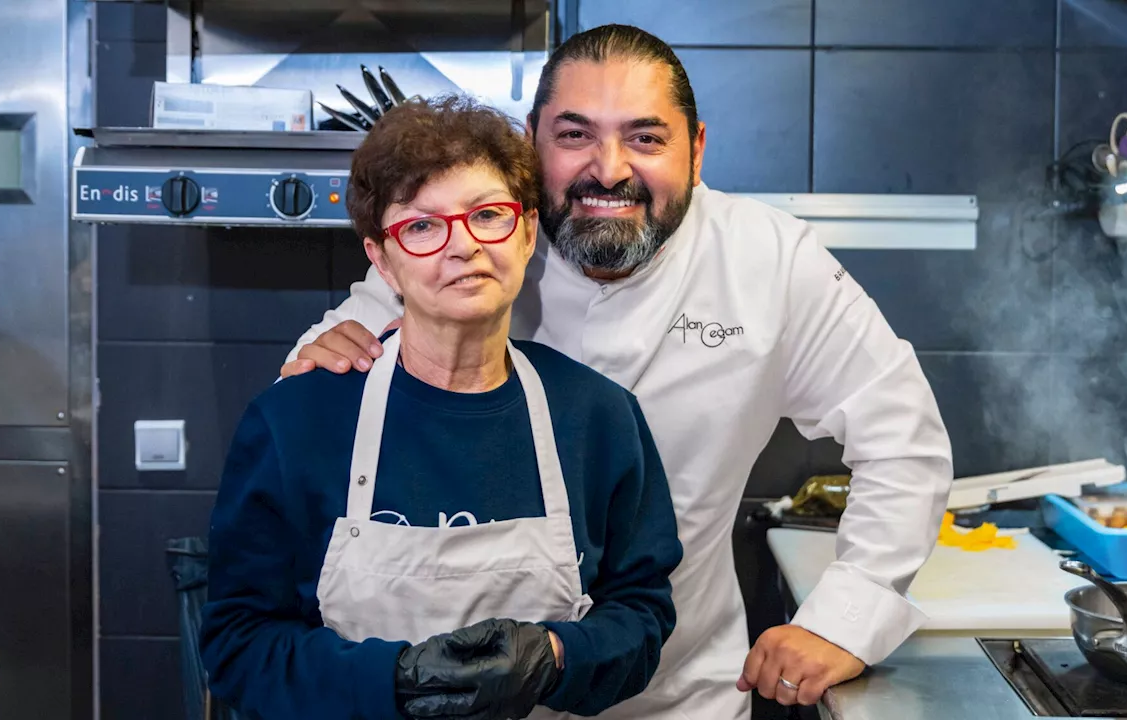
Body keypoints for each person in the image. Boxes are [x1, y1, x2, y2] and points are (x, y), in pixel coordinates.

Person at [283, 24, 954, 719]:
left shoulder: (770, 261)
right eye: (574, 136)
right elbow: (329, 359)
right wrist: (325, 355)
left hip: (674, 696)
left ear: (696, 153)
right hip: (445, 699)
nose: (608, 169)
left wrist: (845, 618)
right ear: (531, 141)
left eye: (646, 138)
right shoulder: (474, 239)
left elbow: (902, 437)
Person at [200, 96, 683, 720]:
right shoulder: (295, 421)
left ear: (529, 230)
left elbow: (641, 614)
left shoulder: (599, 417)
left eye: (488, 214)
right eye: (423, 226)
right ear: (383, 260)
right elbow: (238, 644)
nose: (463, 247)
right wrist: (391, 680)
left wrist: (556, 655)